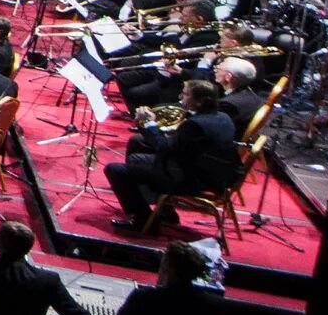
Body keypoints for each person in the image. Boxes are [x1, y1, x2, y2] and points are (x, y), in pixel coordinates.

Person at [104, 79, 244, 232]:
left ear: (200, 101)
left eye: (185, 94)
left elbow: (164, 148)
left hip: (189, 179)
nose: (180, 97)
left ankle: (143, 220)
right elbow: (185, 146)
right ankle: (163, 211)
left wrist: (150, 125)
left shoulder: (194, 125)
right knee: (136, 150)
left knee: (115, 169)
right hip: (209, 172)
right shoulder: (222, 116)